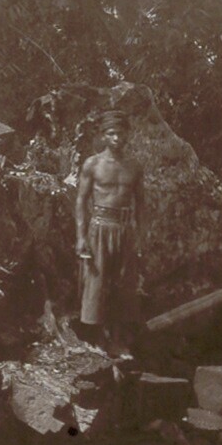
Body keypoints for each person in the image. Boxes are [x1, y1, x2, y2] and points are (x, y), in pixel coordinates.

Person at [73, 112, 145, 358]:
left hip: (124, 229)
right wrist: (81, 237)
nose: (116, 138)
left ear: (127, 135)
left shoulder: (134, 166)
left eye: (121, 133)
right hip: (99, 227)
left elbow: (141, 203)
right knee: (97, 281)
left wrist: (140, 234)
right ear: (103, 136)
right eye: (111, 133)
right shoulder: (92, 164)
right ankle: (97, 339)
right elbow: (81, 201)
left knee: (124, 283)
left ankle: (117, 339)